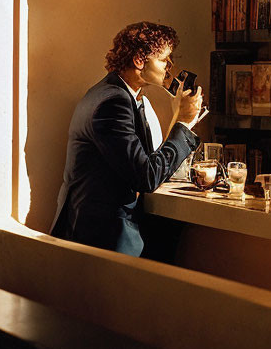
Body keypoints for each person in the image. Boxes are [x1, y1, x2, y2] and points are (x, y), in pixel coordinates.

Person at [51, 21, 203, 256]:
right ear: (139, 60)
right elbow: (146, 176)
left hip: (96, 232)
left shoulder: (117, 95)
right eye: (164, 59)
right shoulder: (114, 103)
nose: (170, 66)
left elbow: (147, 163)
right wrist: (183, 123)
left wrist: (179, 118)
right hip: (103, 238)